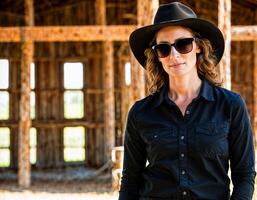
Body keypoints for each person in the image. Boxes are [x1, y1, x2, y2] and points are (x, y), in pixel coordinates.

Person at [118, 2, 256, 200]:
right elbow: (130, 180)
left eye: (183, 44)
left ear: (198, 46)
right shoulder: (141, 112)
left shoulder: (231, 105)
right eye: (163, 48)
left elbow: (245, 175)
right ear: (157, 56)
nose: (174, 55)